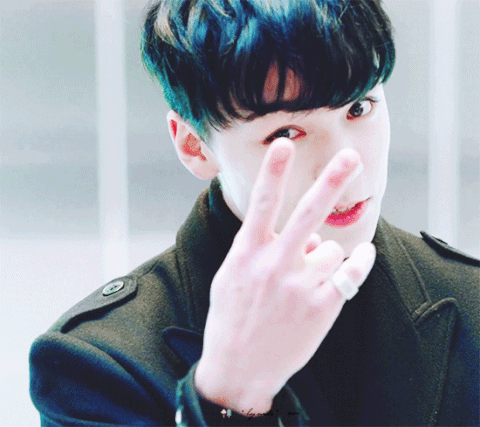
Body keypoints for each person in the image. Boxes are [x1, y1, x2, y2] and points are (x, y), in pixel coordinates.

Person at [29, 0, 479, 425]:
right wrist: (227, 398)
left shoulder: (471, 301)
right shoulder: (98, 364)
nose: (345, 166)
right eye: (286, 132)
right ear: (193, 145)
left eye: (359, 108)